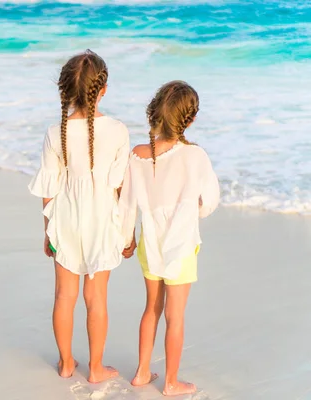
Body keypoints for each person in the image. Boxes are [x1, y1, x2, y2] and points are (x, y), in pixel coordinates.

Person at [28, 50, 130, 383]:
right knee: (96, 297)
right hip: (102, 219)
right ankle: (96, 368)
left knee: (63, 295)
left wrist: (48, 231)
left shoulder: (55, 131)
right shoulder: (117, 130)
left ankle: (67, 362)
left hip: (66, 217)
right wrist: (126, 231)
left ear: (65, 90)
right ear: (103, 89)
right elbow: (119, 187)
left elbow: (49, 185)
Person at [120, 81, 220, 396]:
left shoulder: (137, 155)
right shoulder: (195, 156)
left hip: (149, 241)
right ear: (189, 119)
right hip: (181, 244)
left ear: (155, 112)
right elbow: (210, 201)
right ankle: (172, 382)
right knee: (175, 316)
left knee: (152, 307)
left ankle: (141, 373)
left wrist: (126, 238)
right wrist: (192, 211)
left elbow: (126, 204)